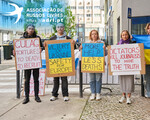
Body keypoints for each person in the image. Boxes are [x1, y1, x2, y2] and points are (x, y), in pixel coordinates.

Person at [45, 23, 76, 102]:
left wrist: (74, 44)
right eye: (58, 27)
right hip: (55, 62)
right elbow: (47, 48)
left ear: (64, 28)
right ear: (56, 29)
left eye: (61, 27)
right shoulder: (52, 39)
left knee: (64, 79)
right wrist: (44, 44)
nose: (60, 28)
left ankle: (65, 95)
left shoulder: (68, 38)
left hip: (65, 62)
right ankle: (54, 94)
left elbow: (73, 48)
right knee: (55, 79)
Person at [14, 24, 43, 104]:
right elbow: (17, 49)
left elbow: (42, 47)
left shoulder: (37, 38)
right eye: (29, 28)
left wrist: (41, 49)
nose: (31, 30)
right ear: (26, 29)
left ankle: (36, 96)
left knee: (36, 80)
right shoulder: (22, 39)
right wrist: (14, 52)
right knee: (27, 80)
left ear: (34, 30)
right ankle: (26, 97)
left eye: (32, 29)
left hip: (35, 62)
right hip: (27, 63)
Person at [80, 30, 105, 101]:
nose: (94, 35)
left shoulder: (101, 43)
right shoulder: (87, 43)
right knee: (91, 79)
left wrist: (104, 49)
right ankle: (93, 93)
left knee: (98, 79)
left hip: (98, 64)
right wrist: (81, 48)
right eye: (92, 34)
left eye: (95, 34)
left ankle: (98, 93)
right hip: (90, 64)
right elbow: (83, 53)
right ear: (90, 35)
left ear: (97, 35)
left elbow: (105, 53)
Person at [118, 30, 135, 104]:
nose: (124, 36)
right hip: (121, 66)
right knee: (122, 80)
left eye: (126, 34)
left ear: (128, 35)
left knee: (129, 80)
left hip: (130, 65)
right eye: (123, 35)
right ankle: (123, 95)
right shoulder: (118, 44)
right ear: (121, 36)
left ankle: (128, 97)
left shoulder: (132, 43)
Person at [144, 23, 150, 98]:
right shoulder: (143, 38)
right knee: (147, 78)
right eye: (148, 28)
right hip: (146, 62)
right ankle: (148, 92)